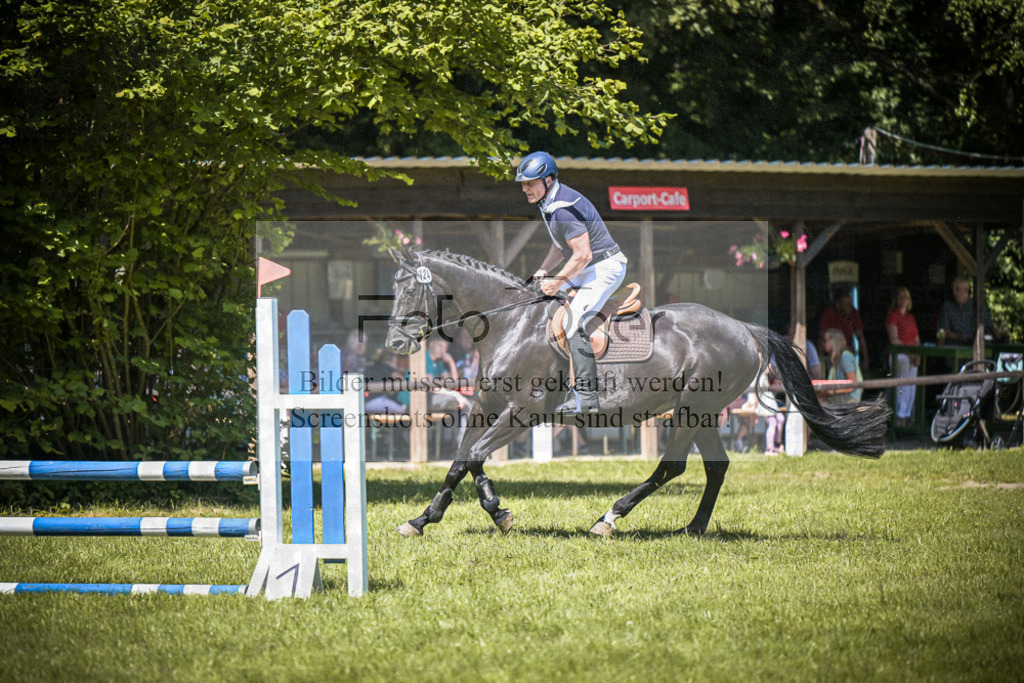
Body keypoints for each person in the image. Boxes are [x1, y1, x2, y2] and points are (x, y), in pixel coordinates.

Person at [516, 151, 628, 414]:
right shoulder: (549, 202)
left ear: (548, 180)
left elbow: (583, 255)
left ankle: (586, 398)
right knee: (541, 301)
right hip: (586, 266)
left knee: (574, 319)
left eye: (530, 183)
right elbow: (560, 247)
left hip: (604, 267)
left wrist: (557, 282)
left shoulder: (563, 209)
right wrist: (544, 270)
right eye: (523, 183)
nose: (525, 189)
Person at [885, 286, 920, 427]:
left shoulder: (911, 317)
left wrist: (918, 355)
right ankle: (899, 419)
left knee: (912, 386)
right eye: (899, 297)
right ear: (895, 300)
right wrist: (911, 354)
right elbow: (894, 340)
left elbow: (917, 340)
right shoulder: (893, 315)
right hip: (899, 355)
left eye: (905, 297)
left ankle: (907, 419)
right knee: (903, 385)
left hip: (912, 356)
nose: (903, 300)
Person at [818, 285, 868, 372]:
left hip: (847, 352)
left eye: (850, 304)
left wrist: (866, 359)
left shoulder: (853, 313)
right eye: (846, 305)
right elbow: (822, 336)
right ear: (838, 305)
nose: (850, 307)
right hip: (831, 353)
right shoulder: (829, 313)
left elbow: (860, 337)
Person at [937, 275, 994, 345]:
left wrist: (997, 334)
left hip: (974, 348)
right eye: (953, 289)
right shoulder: (947, 307)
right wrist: (960, 337)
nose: (954, 292)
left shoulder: (977, 306)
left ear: (966, 290)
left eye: (957, 289)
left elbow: (990, 326)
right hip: (953, 349)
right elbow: (943, 331)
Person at [820, 327, 863, 405]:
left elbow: (853, 384)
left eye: (825, 341)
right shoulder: (835, 359)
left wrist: (832, 391)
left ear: (833, 342)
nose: (823, 344)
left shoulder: (845, 357)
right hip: (841, 397)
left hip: (849, 399)